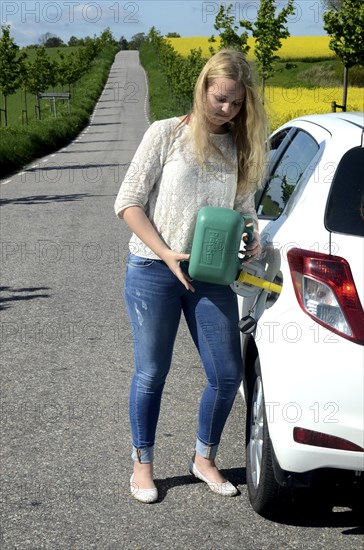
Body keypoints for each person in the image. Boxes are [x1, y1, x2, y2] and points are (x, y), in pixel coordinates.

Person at [114, 49, 268, 503]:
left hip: (209, 274)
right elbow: (128, 202)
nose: (227, 110)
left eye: (237, 103)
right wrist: (164, 254)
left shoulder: (239, 148)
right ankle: (143, 464)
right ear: (203, 88)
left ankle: (204, 458)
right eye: (220, 99)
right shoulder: (165, 133)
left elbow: (242, 212)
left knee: (226, 374)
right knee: (152, 372)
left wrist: (250, 237)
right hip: (151, 269)